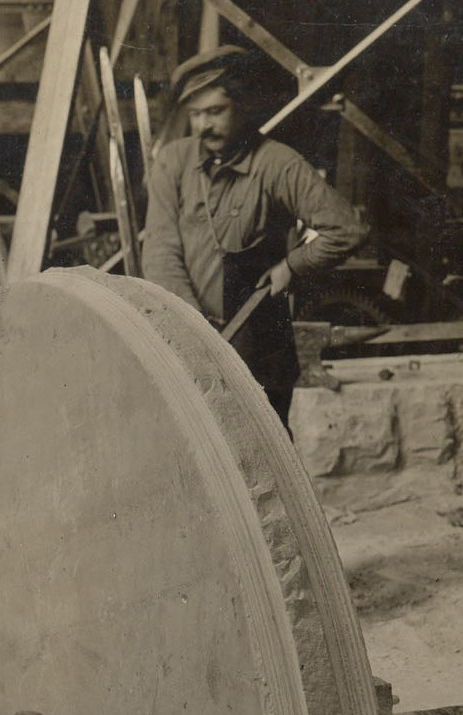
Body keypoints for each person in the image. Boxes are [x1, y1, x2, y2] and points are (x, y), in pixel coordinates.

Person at [142, 47, 369, 431]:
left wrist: (292, 265)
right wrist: (192, 329)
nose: (203, 126)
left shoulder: (276, 163)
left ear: (243, 105)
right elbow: (161, 252)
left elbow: (348, 229)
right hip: (191, 345)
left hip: (260, 348)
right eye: (195, 115)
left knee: (265, 460)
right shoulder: (173, 163)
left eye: (215, 112)